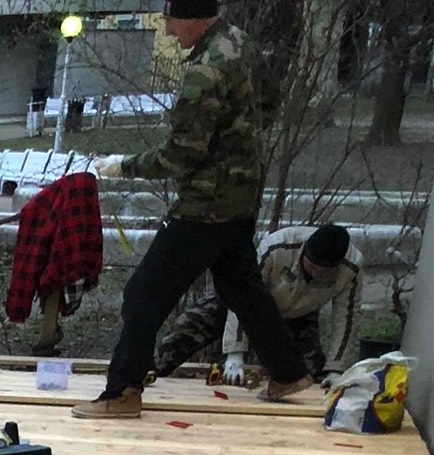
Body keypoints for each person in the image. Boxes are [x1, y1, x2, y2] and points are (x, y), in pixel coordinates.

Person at [73, 0, 317, 417]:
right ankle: (289, 372)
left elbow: (182, 154)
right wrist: (238, 145)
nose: (169, 32)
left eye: (170, 22)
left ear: (194, 18)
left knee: (143, 295)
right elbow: (270, 102)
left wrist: (123, 166)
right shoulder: (240, 42)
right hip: (241, 197)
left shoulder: (205, 70)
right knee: (242, 287)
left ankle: (123, 391)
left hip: (204, 207)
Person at [154, 222, 361, 381]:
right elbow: (242, 294)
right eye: (313, 266)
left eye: (324, 272)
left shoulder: (352, 268)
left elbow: (346, 320)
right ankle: (150, 371)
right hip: (242, 301)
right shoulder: (277, 246)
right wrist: (235, 353)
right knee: (190, 325)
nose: (316, 273)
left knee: (306, 374)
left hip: (298, 315)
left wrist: (336, 369)